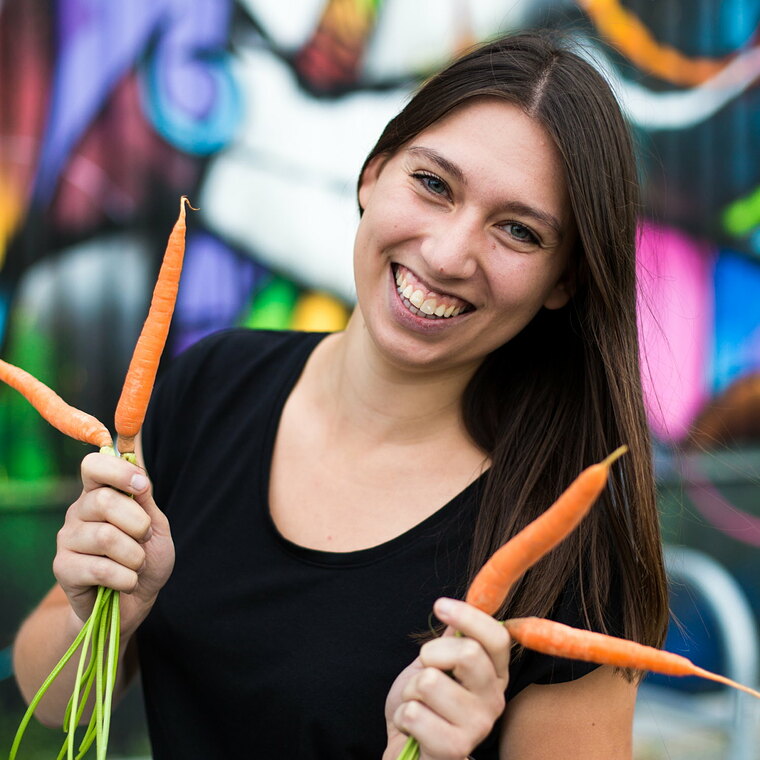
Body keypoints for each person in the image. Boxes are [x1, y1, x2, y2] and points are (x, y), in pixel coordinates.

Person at [13, 30, 668, 759]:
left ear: (565, 282)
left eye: (517, 230)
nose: (449, 255)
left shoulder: (575, 548)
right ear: (373, 174)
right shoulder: (211, 384)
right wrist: (101, 610)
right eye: (433, 184)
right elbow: (52, 700)